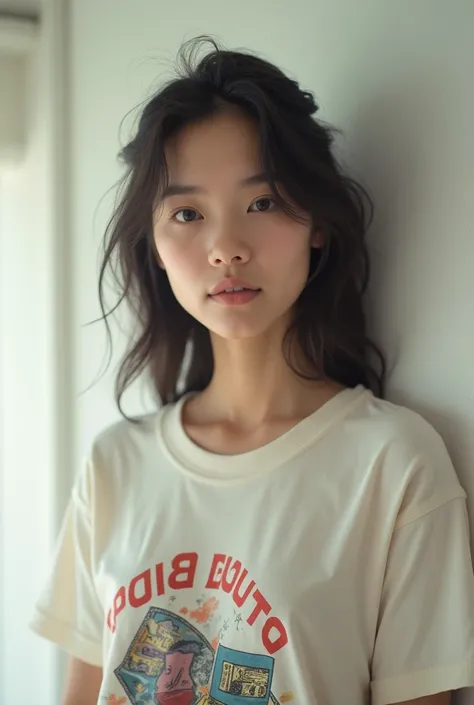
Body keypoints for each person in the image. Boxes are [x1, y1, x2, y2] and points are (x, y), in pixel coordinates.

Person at [30, 36, 474, 705]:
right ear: (154, 243)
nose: (226, 247)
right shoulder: (113, 466)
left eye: (262, 202)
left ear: (316, 223)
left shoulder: (394, 465)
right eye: (187, 213)